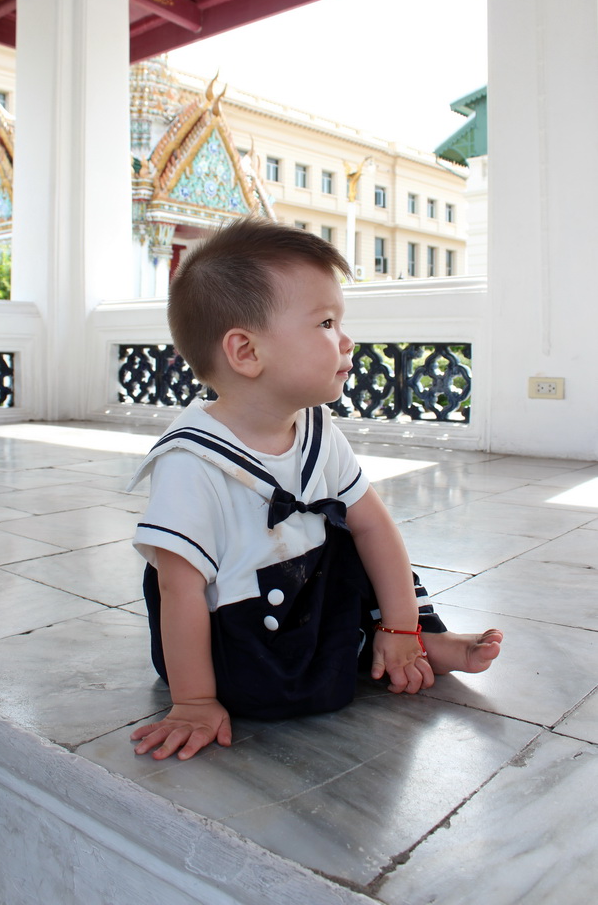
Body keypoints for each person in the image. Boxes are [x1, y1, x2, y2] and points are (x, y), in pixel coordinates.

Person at [128, 216, 502, 761]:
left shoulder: (316, 429)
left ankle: (413, 642)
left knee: (360, 536)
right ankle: (361, 651)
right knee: (274, 694)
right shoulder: (191, 462)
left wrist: (400, 624)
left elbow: (375, 524)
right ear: (246, 352)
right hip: (237, 626)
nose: (346, 340)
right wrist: (194, 700)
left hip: (304, 586)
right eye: (326, 323)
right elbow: (179, 592)